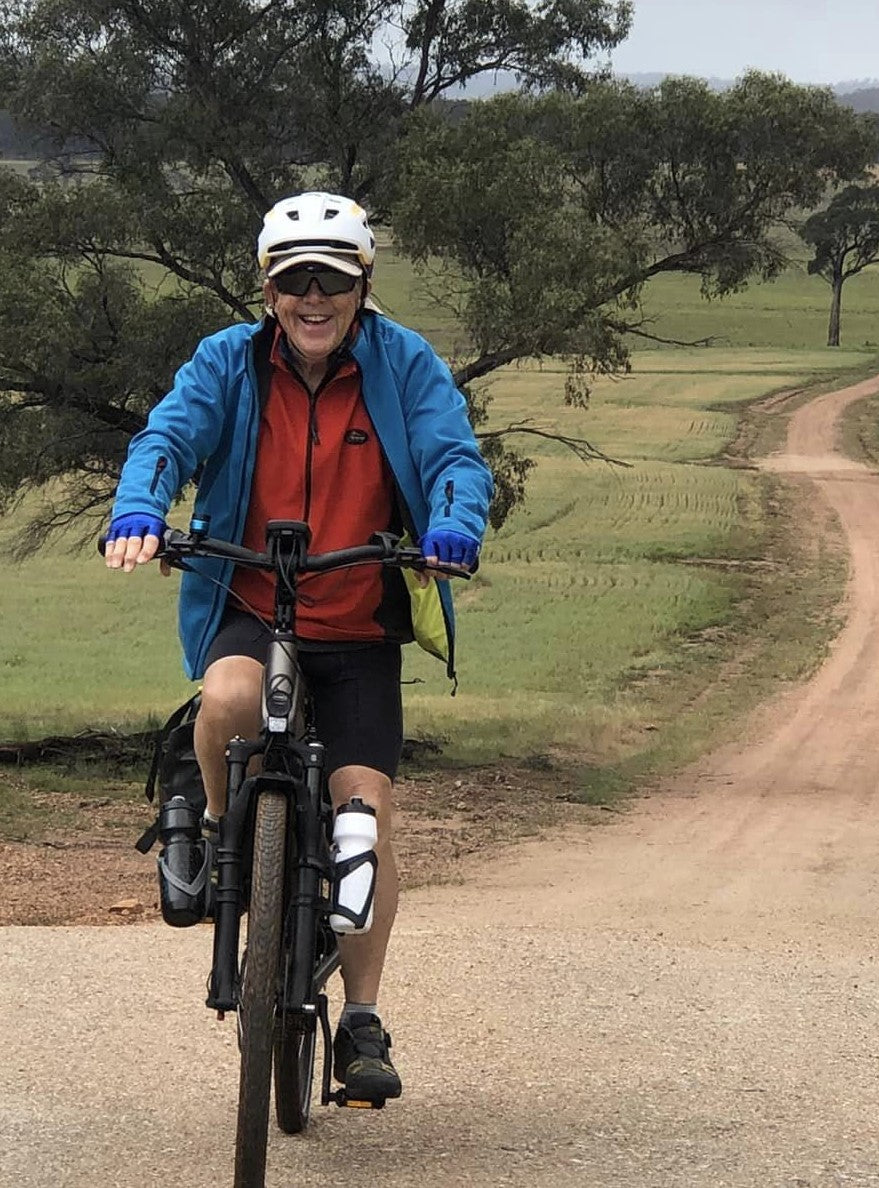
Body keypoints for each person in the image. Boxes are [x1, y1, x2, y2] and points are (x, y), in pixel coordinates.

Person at [103, 191, 493, 1102]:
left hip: (359, 614)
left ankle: (361, 1019)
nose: (311, 298)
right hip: (252, 595)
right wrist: (139, 508)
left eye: (331, 279)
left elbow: (452, 459)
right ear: (269, 289)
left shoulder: (405, 363)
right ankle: (208, 828)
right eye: (292, 280)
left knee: (365, 815)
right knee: (230, 699)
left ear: (363, 283)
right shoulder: (227, 362)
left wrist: (453, 524)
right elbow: (167, 436)